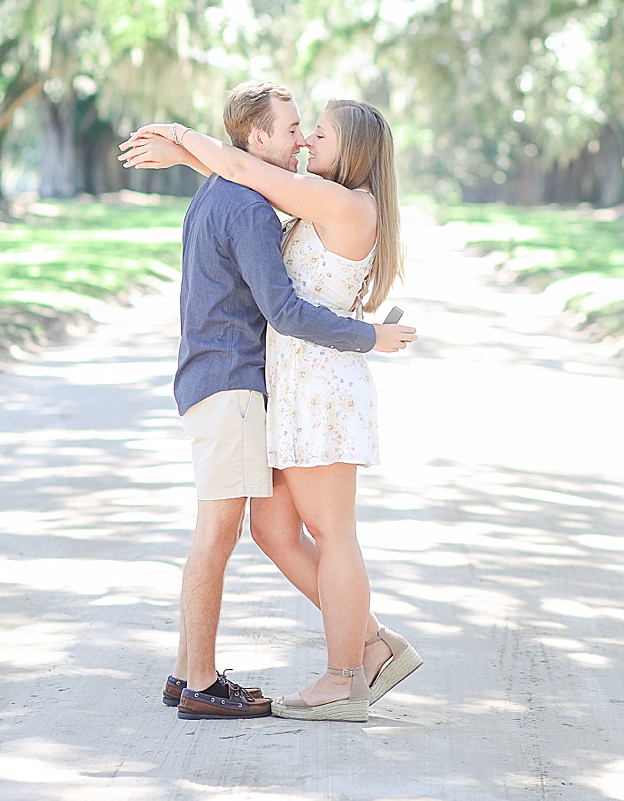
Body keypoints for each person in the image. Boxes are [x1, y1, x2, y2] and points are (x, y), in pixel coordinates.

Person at [120, 86, 423, 723]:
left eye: (317, 132)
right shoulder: (306, 198)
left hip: (319, 389)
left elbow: (244, 171)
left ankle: (348, 672)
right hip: (290, 391)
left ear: (353, 150)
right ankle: (372, 643)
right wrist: (189, 155)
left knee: (333, 534)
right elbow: (243, 177)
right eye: (299, 129)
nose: (307, 140)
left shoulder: (341, 201)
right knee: (272, 529)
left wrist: (179, 135)